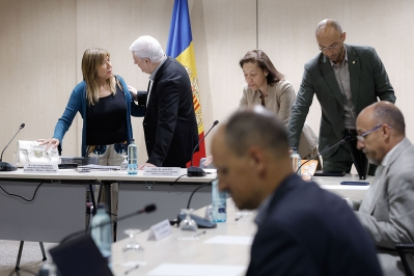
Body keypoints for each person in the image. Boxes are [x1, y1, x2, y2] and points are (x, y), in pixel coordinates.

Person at [211, 106, 383, 276]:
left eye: (224, 171)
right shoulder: (319, 201)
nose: (221, 185)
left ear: (257, 160)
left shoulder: (283, 232)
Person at [288, 19, 395, 178]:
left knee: (375, 188)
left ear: (343, 37)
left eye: (333, 46)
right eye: (323, 48)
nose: (329, 52)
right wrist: (291, 147)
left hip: (370, 137)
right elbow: (300, 108)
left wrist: (378, 124)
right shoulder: (313, 69)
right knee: (332, 191)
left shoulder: (367, 56)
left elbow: (387, 93)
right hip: (335, 142)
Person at [39, 48, 134, 164]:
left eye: (109, 60)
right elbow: (64, 120)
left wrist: (152, 103)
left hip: (122, 149)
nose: (110, 65)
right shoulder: (81, 90)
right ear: (92, 68)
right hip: (95, 150)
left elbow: (131, 108)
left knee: (122, 182)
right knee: (96, 182)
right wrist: (56, 137)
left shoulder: (119, 82)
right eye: (104, 62)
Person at [355, 101, 414, 275]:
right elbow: (375, 207)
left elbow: (405, 235)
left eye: (362, 136)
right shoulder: (391, 161)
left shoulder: (404, 170)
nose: (359, 145)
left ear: (385, 132)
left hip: (397, 264)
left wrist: (349, 219)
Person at [129, 35, 198, 169]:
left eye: (136, 60)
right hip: (174, 144)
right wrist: (140, 95)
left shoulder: (169, 79)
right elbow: (162, 98)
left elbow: (167, 121)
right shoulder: (167, 65)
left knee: (170, 189)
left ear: (147, 60)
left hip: (173, 148)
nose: (135, 63)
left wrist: (155, 160)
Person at [239, 49, 318, 159]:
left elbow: (284, 126)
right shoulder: (247, 91)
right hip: (272, 152)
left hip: (299, 150)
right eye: (245, 74)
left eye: (253, 74)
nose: (248, 79)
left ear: (266, 71)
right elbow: (241, 123)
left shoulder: (284, 88)